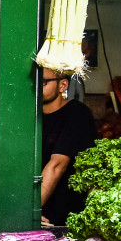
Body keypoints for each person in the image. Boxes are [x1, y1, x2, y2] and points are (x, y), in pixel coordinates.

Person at [39, 68, 97, 224]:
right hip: (40, 209)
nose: (36, 86)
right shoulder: (33, 116)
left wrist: (30, 209)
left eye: (43, 82)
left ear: (62, 85)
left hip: (64, 214)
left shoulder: (77, 114)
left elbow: (57, 165)